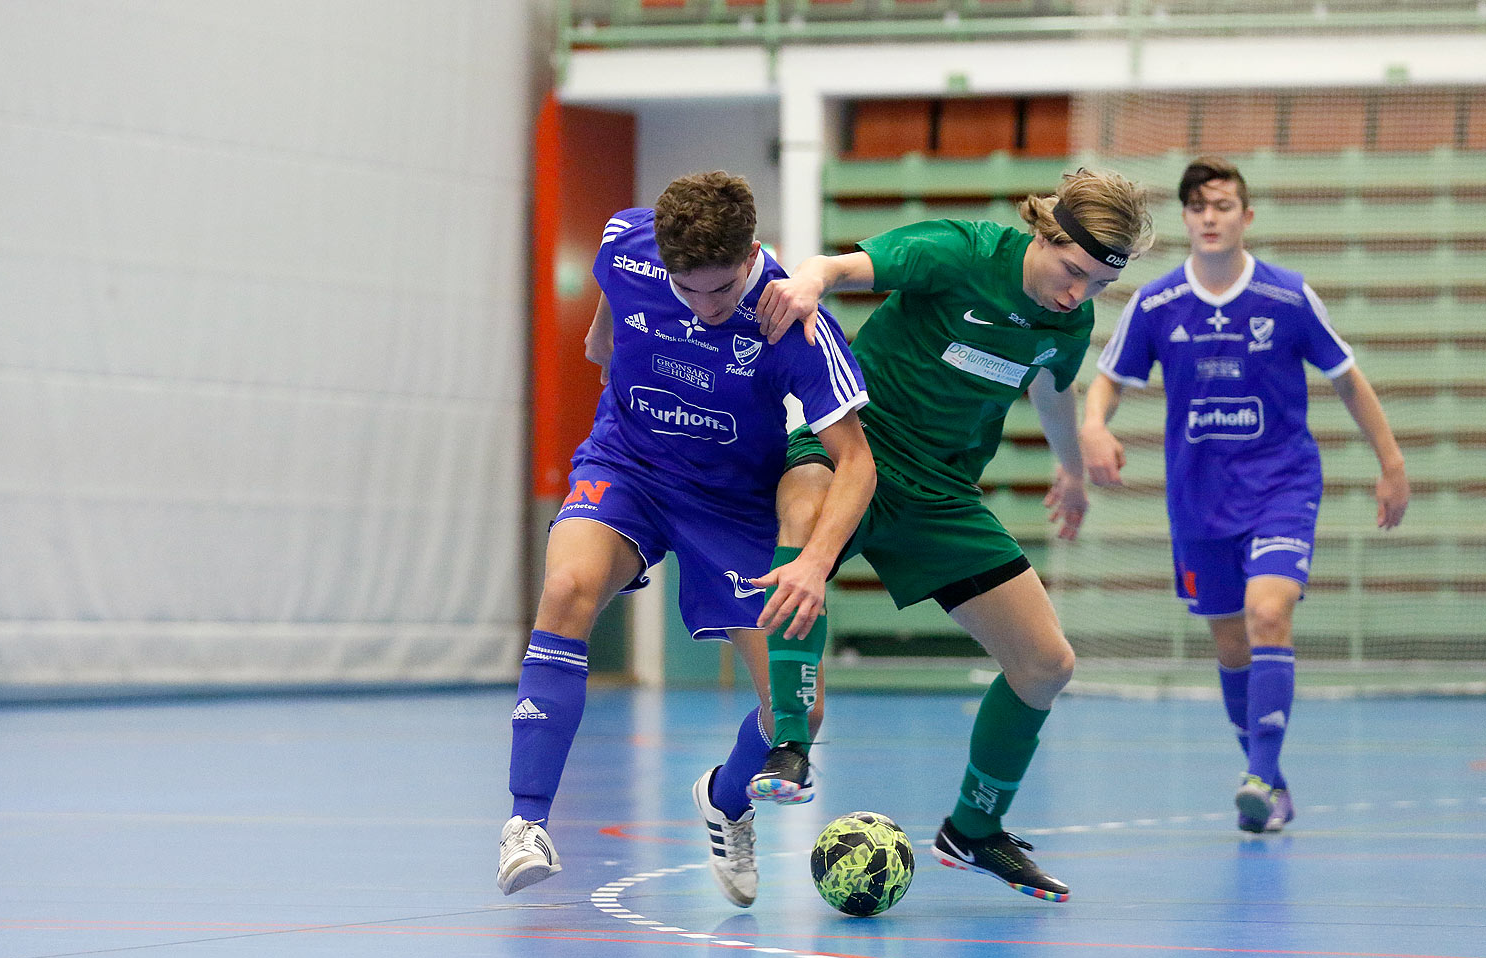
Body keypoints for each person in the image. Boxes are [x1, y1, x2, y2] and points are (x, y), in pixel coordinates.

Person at [756, 167, 1155, 902]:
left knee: (1046, 665)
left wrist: (1071, 469)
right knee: (803, 511)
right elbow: (840, 266)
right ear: (1047, 231)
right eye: (1072, 272)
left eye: (1098, 286)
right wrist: (809, 281)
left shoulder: (1067, 321)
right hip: (856, 449)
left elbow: (1053, 391)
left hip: (940, 491)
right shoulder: (961, 251)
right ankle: (787, 745)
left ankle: (974, 829)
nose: (1078, 295)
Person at [497, 171, 875, 907]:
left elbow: (857, 461)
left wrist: (815, 565)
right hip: (630, 465)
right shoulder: (625, 245)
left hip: (734, 504)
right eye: (688, 290)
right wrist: (606, 341)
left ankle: (726, 798)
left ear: (752, 255)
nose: (705, 309)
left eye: (723, 290)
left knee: (799, 710)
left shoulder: (790, 321)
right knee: (568, 587)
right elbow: (603, 330)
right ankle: (526, 822)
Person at [1079, 156, 1409, 834]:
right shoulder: (1158, 303)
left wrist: (1392, 463)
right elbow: (1111, 377)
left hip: (1282, 487)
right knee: (1231, 645)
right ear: (1185, 219)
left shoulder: (1287, 298)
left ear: (1245, 217)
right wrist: (1092, 426)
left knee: (1268, 616)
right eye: (1198, 206)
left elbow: (1347, 377)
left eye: (1223, 205)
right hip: (1199, 502)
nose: (1209, 217)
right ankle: (1273, 782)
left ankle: (1258, 775)